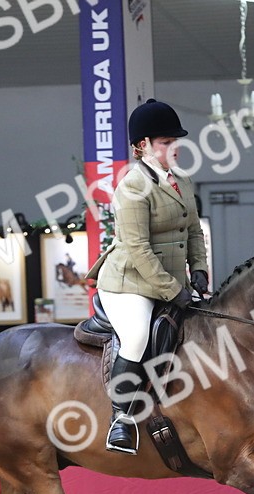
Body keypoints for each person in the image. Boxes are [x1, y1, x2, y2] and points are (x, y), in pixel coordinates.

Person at [85, 99, 209, 454]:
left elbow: (194, 232)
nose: (175, 148)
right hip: (129, 283)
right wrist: (173, 290)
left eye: (176, 141)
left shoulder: (182, 181)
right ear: (142, 146)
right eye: (165, 142)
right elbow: (139, 249)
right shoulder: (132, 187)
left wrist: (198, 268)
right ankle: (120, 420)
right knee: (137, 336)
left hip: (169, 281)